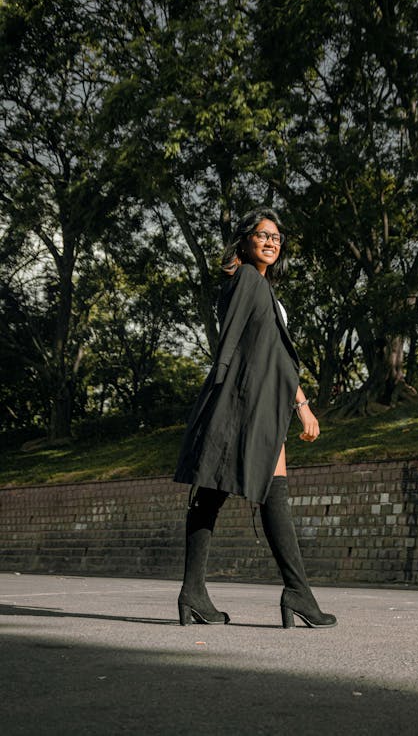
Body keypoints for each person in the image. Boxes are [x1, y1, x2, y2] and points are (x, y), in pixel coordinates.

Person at [174, 206, 337, 629]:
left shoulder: (263, 289)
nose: (271, 242)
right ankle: (294, 593)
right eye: (263, 235)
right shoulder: (246, 278)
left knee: (229, 491)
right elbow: (233, 347)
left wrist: (300, 402)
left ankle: (199, 594)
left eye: (277, 238)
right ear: (246, 240)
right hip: (246, 401)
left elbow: (276, 356)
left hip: (263, 400)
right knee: (223, 491)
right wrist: (231, 403)